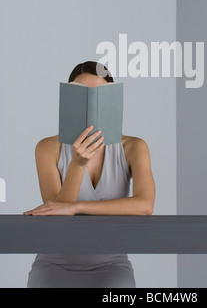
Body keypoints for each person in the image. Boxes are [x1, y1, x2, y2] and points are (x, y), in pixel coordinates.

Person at [24, 61, 156, 288]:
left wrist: (78, 208)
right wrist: (77, 164)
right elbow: (56, 214)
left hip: (112, 265)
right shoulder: (47, 148)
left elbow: (144, 206)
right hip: (53, 263)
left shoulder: (134, 147)